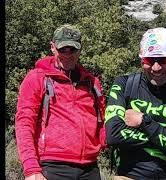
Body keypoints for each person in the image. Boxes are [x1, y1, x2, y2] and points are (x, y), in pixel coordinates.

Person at [105, 27, 166, 179]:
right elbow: (113, 135)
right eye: (149, 60)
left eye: (163, 60)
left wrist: (144, 121)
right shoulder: (124, 85)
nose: (156, 68)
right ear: (141, 59)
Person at [15, 24, 106, 180]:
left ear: (80, 49)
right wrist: (31, 168)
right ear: (52, 47)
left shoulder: (92, 83)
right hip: (52, 166)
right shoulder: (38, 78)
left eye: (73, 49)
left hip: (90, 168)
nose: (67, 54)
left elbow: (102, 122)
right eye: (62, 49)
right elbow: (24, 123)